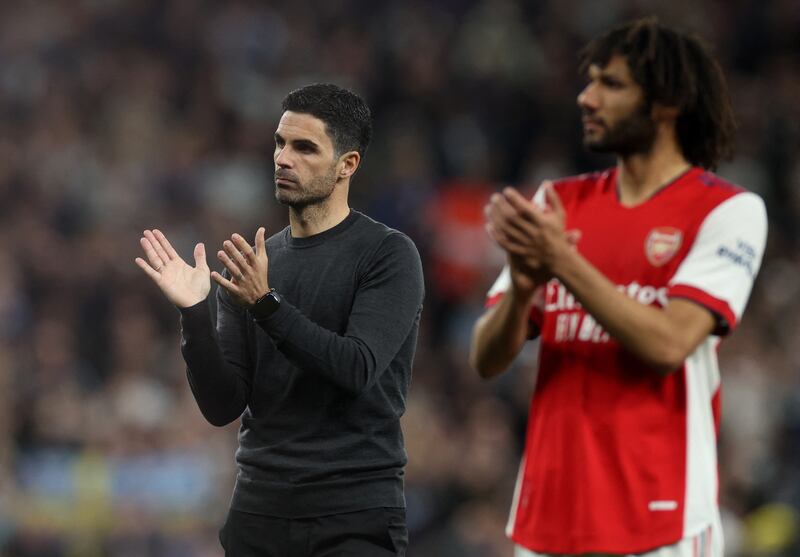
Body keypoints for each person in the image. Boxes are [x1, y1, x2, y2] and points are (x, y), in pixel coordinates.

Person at [470, 17, 767, 557]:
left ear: (667, 101)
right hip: (547, 521)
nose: (586, 97)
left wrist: (561, 259)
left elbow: (668, 344)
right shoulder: (558, 204)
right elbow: (486, 359)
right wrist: (520, 286)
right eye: (589, 81)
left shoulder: (727, 210)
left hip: (660, 522)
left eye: (611, 84)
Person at [135, 83, 423, 556]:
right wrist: (194, 314)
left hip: (351, 516)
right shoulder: (252, 266)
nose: (283, 158)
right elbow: (222, 405)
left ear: (346, 164)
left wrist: (267, 306)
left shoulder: (386, 254)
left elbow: (356, 368)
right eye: (279, 143)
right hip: (258, 511)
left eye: (305, 147)